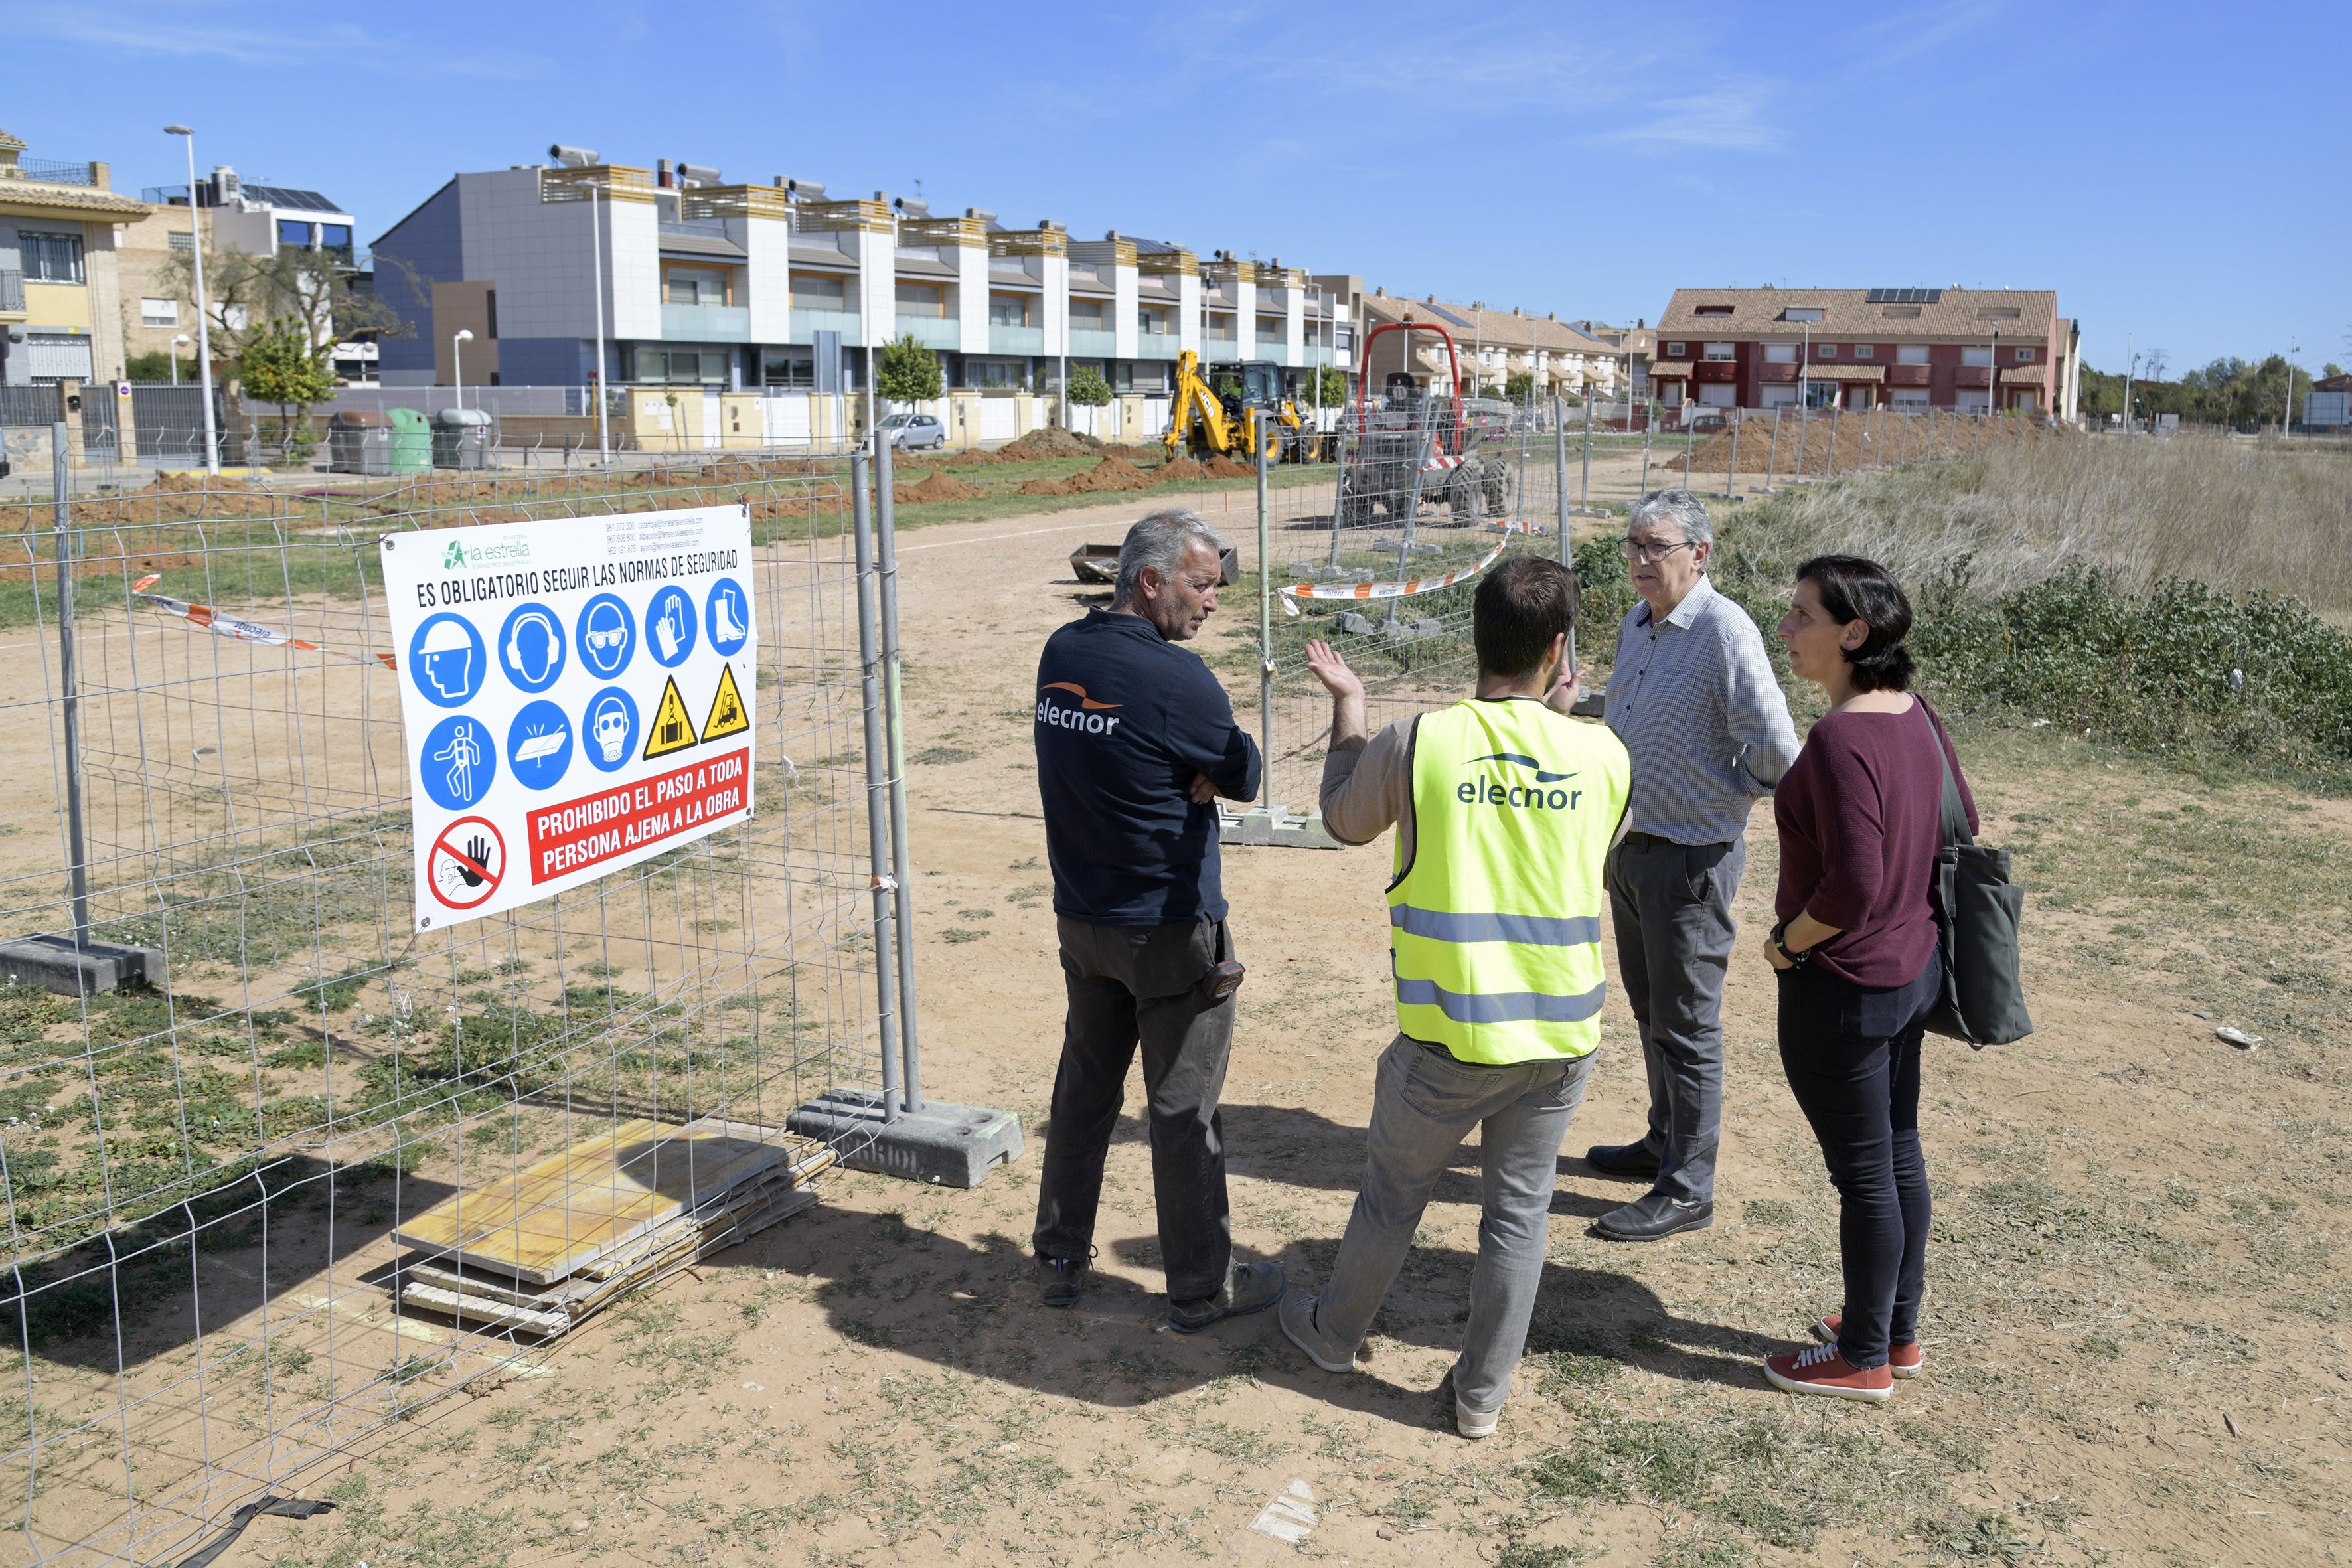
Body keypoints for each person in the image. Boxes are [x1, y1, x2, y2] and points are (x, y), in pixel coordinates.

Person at [1279, 558, 1632, 1439]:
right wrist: (1554, 730)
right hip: (1558, 1036)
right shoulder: (1602, 751)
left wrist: (1347, 706)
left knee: (1392, 1196)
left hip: (1449, 1035)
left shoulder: (1420, 741)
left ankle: (1331, 1334)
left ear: (1473, 638)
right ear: (1559, 649)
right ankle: (1478, 1398)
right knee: (1518, 1213)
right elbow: (1593, 833)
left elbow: (1340, 816)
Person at [1030, 509, 1285, 1332]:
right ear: (1151, 581)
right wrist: (1196, 769)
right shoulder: (1178, 681)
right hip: (1170, 932)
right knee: (1182, 1110)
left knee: (1084, 1092)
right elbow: (1243, 770)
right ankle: (1201, 1288)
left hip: (1085, 922)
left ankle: (1060, 1258)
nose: (1212, 602)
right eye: (1203, 585)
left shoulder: (1062, 651)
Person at [1761, 554, 1977, 1402]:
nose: (1787, 630)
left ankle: (1863, 1355)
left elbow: (1849, 886)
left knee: (1865, 1176)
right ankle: (1897, 1329)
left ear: (1854, 633)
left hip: (1845, 983)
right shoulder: (1916, 715)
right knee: (1895, 1155)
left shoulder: (1844, 736)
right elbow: (1961, 820)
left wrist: (1789, 939)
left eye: (1802, 616)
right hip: (1911, 972)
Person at [1589, 489, 1800, 1242]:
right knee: (1653, 1015)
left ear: (1699, 554)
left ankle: (1688, 1187)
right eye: (1634, 545)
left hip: (1692, 859)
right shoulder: (1636, 625)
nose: (1642, 560)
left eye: (1658, 546)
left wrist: (1733, 795)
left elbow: (1779, 750)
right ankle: (1662, 1140)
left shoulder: (1724, 631)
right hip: (1632, 851)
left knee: (1689, 1025)